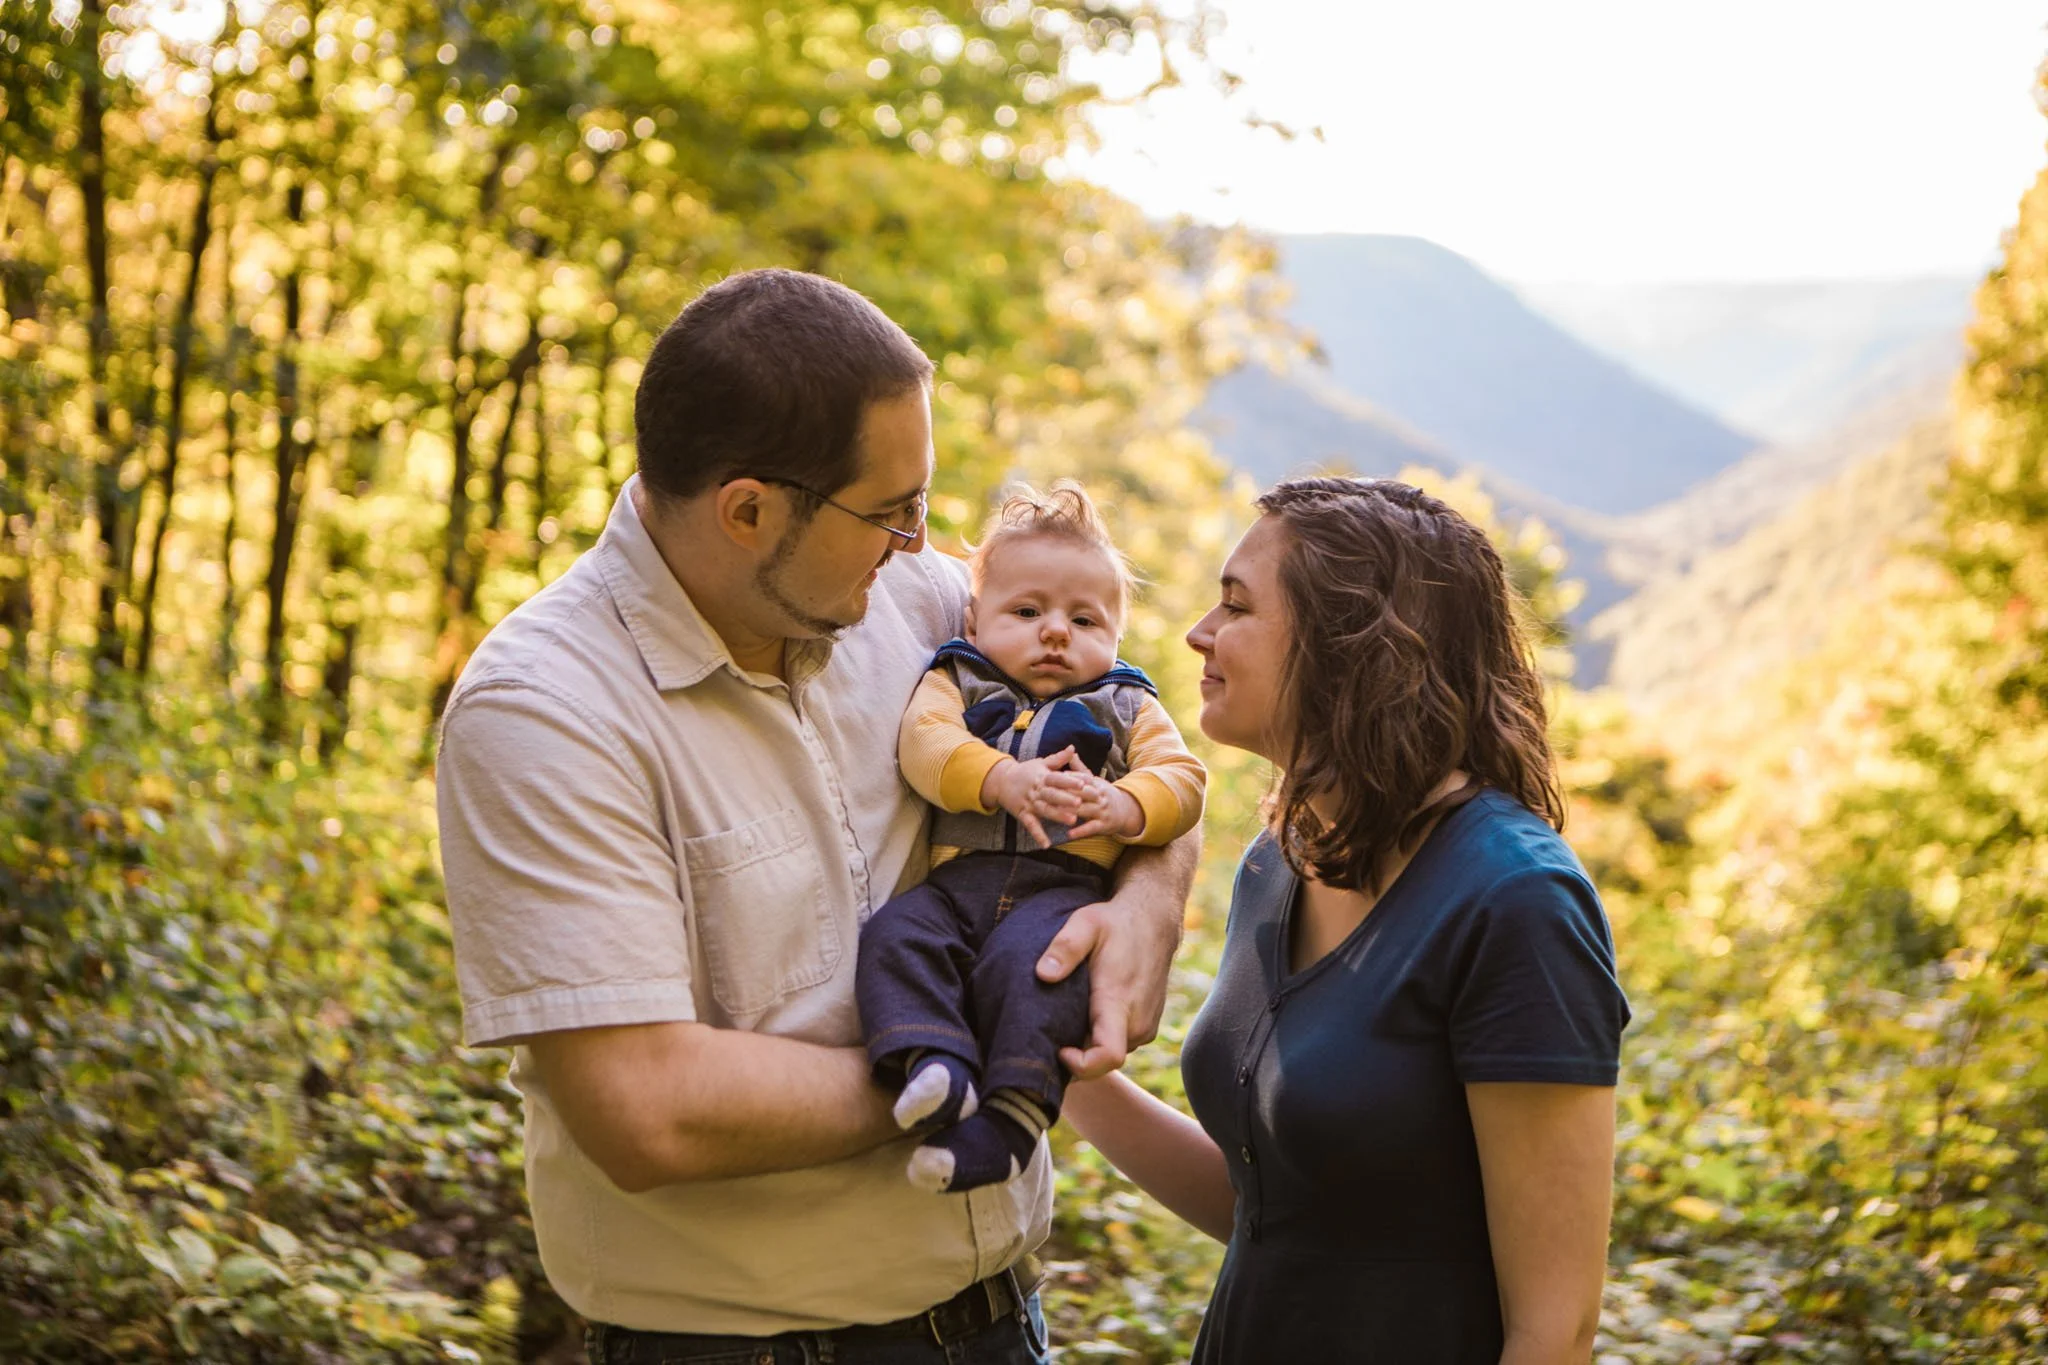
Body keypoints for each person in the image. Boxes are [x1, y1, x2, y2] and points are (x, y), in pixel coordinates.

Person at [434, 268, 1198, 1365]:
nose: (918, 541)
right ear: (748, 511)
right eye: (891, 513)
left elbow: (1134, 730)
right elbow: (645, 1108)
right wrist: (978, 1065)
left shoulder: (923, 600)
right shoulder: (547, 709)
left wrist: (1144, 900)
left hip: (1000, 1323)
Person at [1062, 477, 1631, 1364]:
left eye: (1236, 607)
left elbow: (1554, 1330)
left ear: (1348, 644)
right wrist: (1062, 1070)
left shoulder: (1515, 902)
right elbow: (1279, 1213)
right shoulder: (1278, 861)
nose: (1198, 634)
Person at [857, 482, 1207, 1194]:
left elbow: (1185, 777)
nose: (1055, 632)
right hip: (957, 885)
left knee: (1041, 970)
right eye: (1027, 611)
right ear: (974, 618)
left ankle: (1015, 1113)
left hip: (1062, 890)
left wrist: (1124, 804)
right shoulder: (960, 679)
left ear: (1114, 636)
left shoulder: (1125, 703)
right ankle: (936, 1062)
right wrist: (999, 780)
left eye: (1085, 620)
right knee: (896, 935)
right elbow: (922, 744)